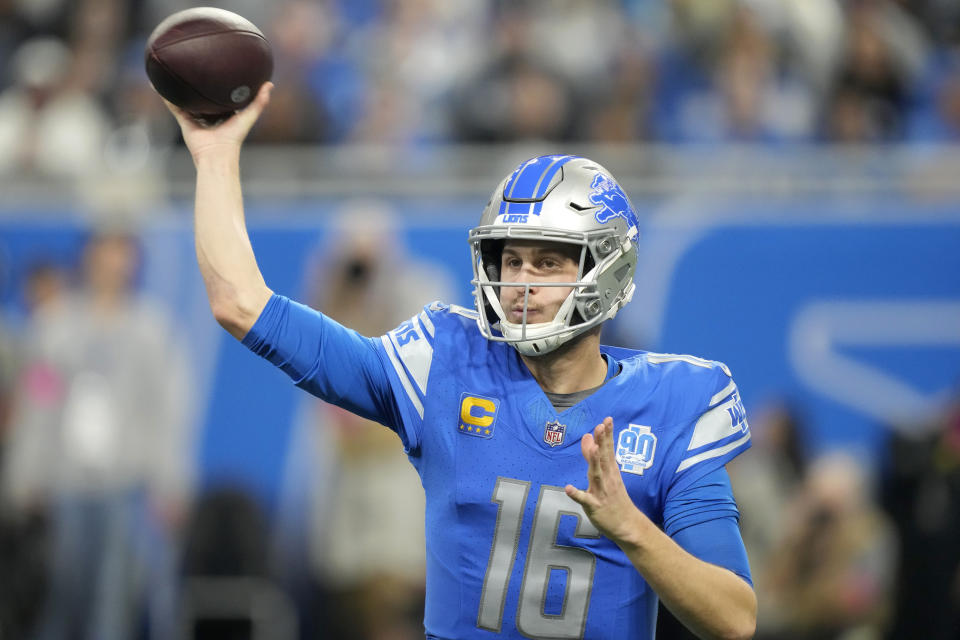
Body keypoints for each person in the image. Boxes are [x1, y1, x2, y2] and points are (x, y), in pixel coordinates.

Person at [163, 82, 757, 640]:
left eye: (548, 263)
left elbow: (734, 619)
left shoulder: (675, 403)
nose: (521, 282)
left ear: (607, 272)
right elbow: (241, 303)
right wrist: (215, 156)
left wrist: (632, 529)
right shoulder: (443, 363)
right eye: (510, 260)